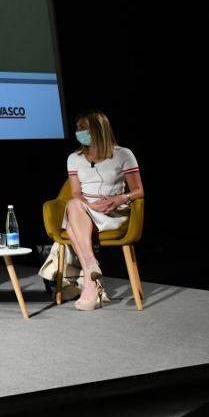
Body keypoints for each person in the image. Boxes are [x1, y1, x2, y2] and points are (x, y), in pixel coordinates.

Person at [65, 111, 144, 311]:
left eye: (83, 127)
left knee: (70, 227)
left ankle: (91, 281)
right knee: (73, 205)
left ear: (98, 129)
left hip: (113, 212)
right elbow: (75, 192)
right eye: (78, 128)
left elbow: (139, 191)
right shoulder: (74, 158)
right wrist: (89, 205)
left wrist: (120, 198)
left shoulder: (123, 154)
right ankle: (91, 269)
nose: (79, 131)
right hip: (86, 210)